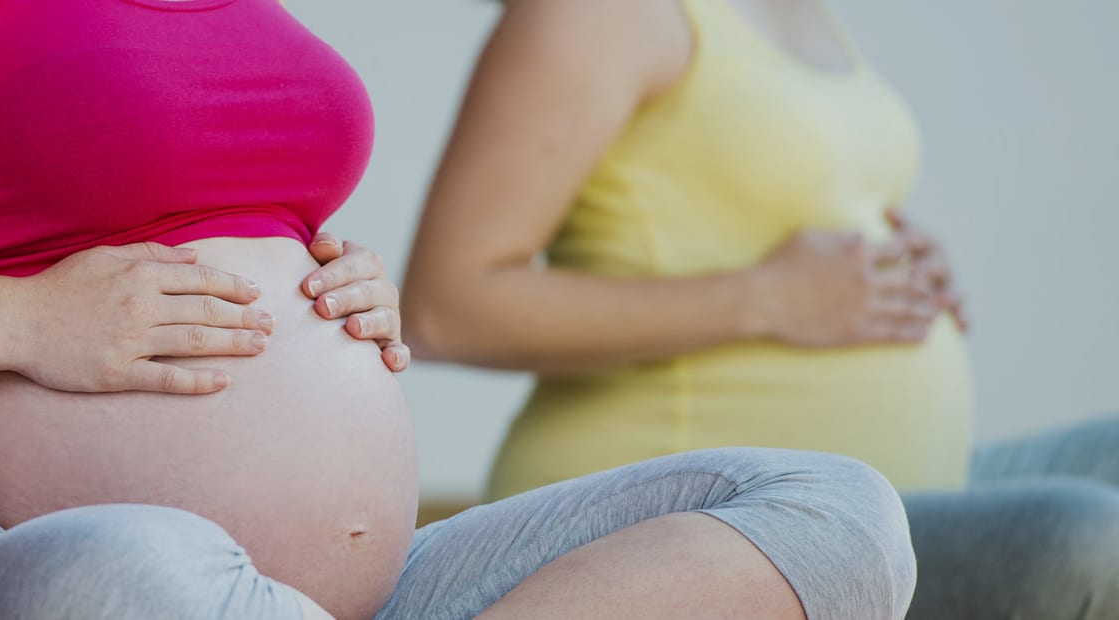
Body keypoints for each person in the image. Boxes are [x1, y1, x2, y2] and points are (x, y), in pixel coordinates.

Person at [0, 0, 920, 618]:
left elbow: (227, 221)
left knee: (830, 513)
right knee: (147, 572)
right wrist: (21, 322)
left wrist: (337, 289)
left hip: (329, 595)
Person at [401, 1, 1119, 618]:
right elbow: (443, 306)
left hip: (898, 480)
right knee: (1084, 541)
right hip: (715, 518)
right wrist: (767, 298)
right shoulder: (602, 12)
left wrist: (895, 265)